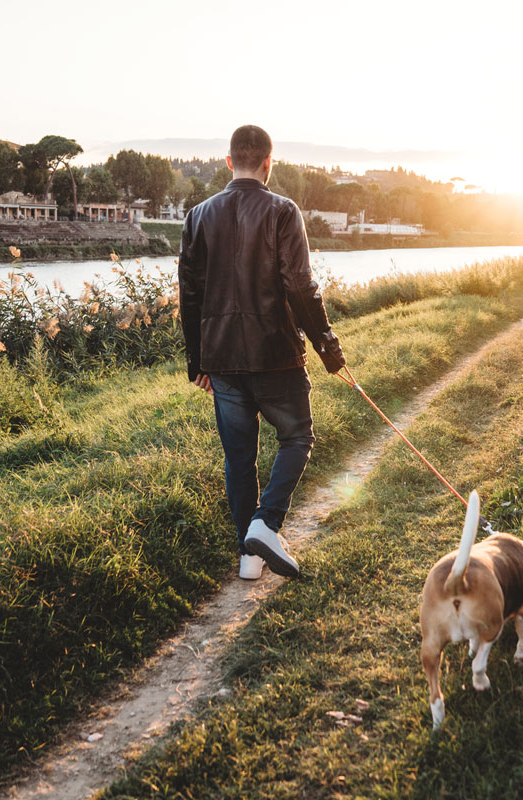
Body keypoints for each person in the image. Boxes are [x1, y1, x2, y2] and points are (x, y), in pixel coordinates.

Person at [178, 124, 346, 581]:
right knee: (297, 437)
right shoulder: (283, 211)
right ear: (269, 163)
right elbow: (300, 287)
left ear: (229, 162)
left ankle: (249, 558)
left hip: (222, 362)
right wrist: (328, 347)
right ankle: (266, 524)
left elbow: (188, 295)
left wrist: (198, 363)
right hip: (275, 355)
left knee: (240, 458)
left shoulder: (196, 216)